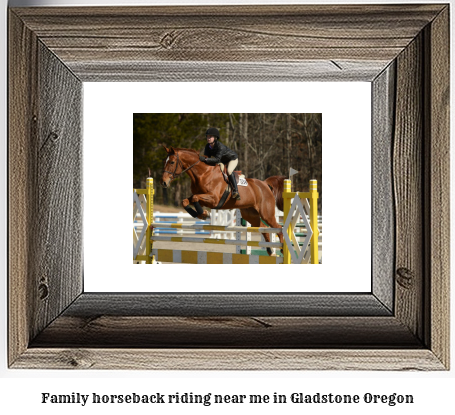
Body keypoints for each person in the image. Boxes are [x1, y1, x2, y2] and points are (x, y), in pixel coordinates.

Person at [200, 127, 241, 200]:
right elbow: (207, 157)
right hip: (222, 161)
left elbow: (216, 159)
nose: (208, 138)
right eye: (207, 136)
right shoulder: (207, 146)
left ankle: (236, 191)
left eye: (210, 137)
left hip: (232, 159)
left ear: (215, 138)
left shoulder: (220, 146)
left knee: (229, 171)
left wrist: (205, 159)